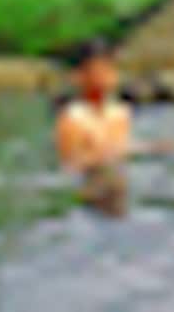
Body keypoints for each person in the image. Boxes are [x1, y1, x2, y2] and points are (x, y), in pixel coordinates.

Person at [53, 39, 131, 216]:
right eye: (97, 71)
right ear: (79, 77)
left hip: (116, 184)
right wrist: (102, 156)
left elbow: (124, 149)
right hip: (91, 186)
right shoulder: (72, 118)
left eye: (108, 69)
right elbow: (70, 165)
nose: (103, 77)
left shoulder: (120, 113)